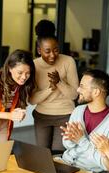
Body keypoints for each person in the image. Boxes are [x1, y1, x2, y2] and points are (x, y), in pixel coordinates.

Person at [29, 20, 79, 154]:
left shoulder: (68, 61)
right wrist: (51, 88)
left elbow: (74, 94)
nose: (52, 55)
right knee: (42, 154)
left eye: (56, 50)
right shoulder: (34, 65)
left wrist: (59, 83)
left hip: (65, 115)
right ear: (39, 50)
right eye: (47, 51)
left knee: (58, 154)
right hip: (42, 117)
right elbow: (32, 100)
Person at [60, 69, 109, 173]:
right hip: (65, 162)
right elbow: (67, 145)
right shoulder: (78, 110)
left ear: (96, 92)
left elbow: (107, 164)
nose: (78, 90)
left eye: (82, 86)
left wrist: (81, 140)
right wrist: (70, 138)